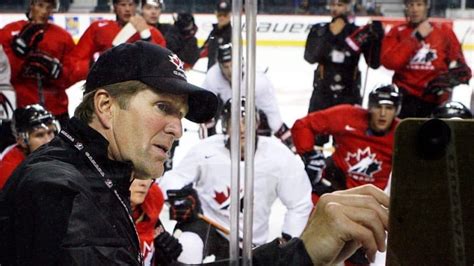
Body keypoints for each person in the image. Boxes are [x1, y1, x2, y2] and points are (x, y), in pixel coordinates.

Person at [0, 42, 389, 265]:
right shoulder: (60, 190)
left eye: (181, 115)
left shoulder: (87, 170)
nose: (176, 127)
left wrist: (298, 254)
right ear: (105, 106)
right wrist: (298, 257)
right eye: (163, 108)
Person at [158, 97, 313, 264]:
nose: (242, 128)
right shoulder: (206, 149)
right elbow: (174, 178)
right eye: (235, 120)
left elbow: (300, 203)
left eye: (247, 120)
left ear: (257, 123)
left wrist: (289, 238)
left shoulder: (278, 156)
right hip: (208, 226)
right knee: (188, 246)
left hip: (250, 240)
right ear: (225, 125)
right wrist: (178, 197)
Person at [292, 84, 401, 201]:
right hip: (334, 189)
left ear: (396, 111)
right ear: (369, 107)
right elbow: (303, 125)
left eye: (389, 108)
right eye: (378, 107)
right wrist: (310, 155)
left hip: (370, 201)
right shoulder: (348, 115)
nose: (383, 113)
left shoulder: (402, 133)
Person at [304, 0, 384, 147]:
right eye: (333, 5)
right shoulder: (319, 30)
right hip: (322, 93)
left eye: (340, 5)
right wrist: (329, 36)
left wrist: (377, 40)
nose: (335, 9)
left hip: (349, 94)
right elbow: (309, 57)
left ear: (348, 7)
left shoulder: (358, 33)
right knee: (315, 139)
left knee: (346, 141)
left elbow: (374, 63)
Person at [381, 0, 472, 118]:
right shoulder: (397, 32)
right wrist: (416, 38)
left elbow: (462, 69)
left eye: (419, 5)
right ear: (406, 8)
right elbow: (390, 62)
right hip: (405, 100)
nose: (414, 9)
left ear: (426, 7)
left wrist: (448, 81)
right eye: (411, 5)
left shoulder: (444, 32)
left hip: (436, 101)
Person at [201, 43, 294, 150]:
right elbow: (204, 110)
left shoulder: (258, 81)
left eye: (233, 65)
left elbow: (272, 113)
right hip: (229, 110)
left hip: (255, 108)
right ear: (219, 66)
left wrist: (287, 139)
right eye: (226, 67)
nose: (230, 71)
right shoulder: (213, 77)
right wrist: (208, 141)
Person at [0, 0, 75, 126]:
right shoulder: (8, 32)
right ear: (31, 5)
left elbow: (71, 74)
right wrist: (18, 56)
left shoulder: (63, 37)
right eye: (40, 5)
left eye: (49, 7)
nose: (44, 12)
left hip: (55, 109)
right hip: (19, 107)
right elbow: (4, 74)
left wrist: (59, 73)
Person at [65, 0, 166, 84]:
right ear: (114, 7)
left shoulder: (153, 33)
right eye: (123, 4)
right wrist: (93, 66)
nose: (127, 9)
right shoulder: (98, 28)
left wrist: (146, 36)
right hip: (105, 84)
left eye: (131, 4)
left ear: (136, 7)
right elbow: (75, 62)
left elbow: (161, 66)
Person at [0, 104, 59, 189]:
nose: (48, 140)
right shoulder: (9, 171)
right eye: (40, 135)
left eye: (50, 132)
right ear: (22, 141)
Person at [129, 177, 183, 265]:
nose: (144, 183)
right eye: (137, 175)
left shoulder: (153, 197)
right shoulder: (102, 214)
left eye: (149, 176)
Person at [141, 1, 200, 70]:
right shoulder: (132, 30)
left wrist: (188, 30)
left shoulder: (170, 30)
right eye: (149, 8)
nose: (153, 12)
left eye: (157, 8)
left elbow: (188, 55)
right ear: (141, 10)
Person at [200, 0, 232, 70]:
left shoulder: (233, 34)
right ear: (216, 14)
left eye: (225, 15)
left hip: (226, 76)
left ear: (230, 15)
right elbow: (204, 49)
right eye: (219, 14)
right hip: (212, 73)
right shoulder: (213, 32)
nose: (222, 17)